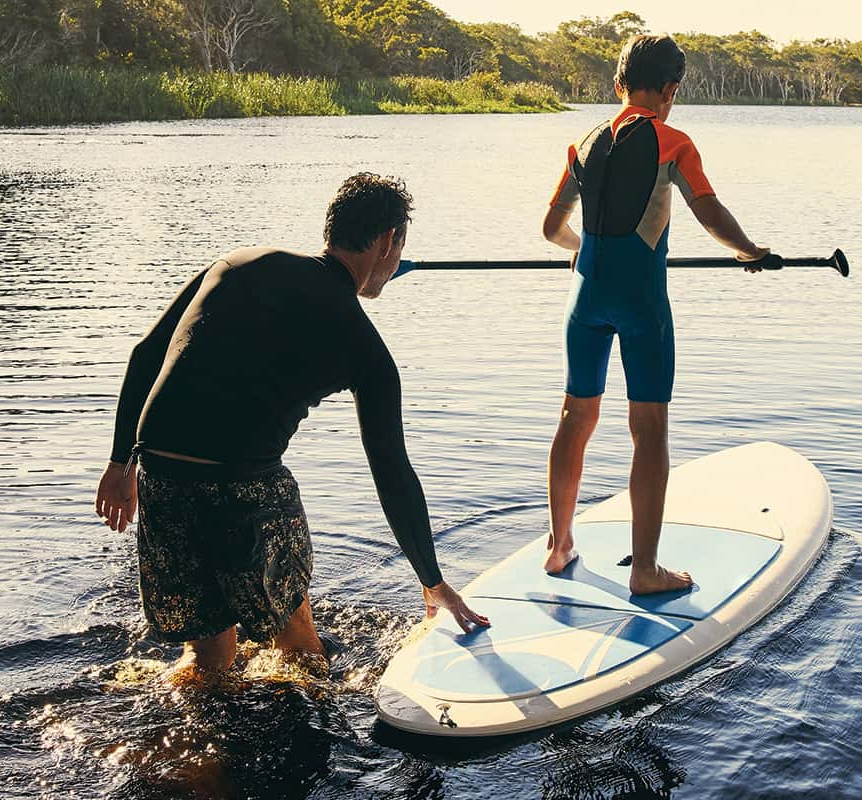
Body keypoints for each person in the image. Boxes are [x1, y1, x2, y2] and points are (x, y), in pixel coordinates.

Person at [94, 173, 489, 681]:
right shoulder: (364, 348)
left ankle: (190, 742)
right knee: (299, 646)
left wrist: (120, 462)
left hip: (160, 476)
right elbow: (391, 470)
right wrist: (433, 582)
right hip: (244, 486)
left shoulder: (239, 263)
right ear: (390, 241)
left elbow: (146, 354)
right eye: (398, 247)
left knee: (209, 657)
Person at [539, 34, 772, 594]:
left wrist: (580, 249)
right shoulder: (673, 142)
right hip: (642, 303)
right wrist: (749, 252)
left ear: (618, 85)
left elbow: (551, 230)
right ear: (671, 89)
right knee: (648, 428)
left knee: (575, 417)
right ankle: (644, 570)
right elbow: (710, 212)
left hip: (585, 299)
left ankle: (559, 546)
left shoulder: (583, 143)